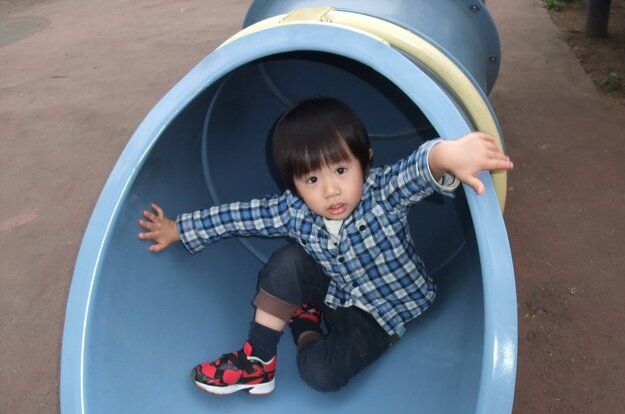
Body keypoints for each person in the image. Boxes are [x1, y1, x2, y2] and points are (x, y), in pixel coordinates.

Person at [138, 98, 513, 396]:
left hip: (384, 315)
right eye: (312, 180)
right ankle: (258, 361)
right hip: (337, 292)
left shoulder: (382, 193)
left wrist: (448, 155)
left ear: (365, 162)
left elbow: (417, 170)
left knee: (319, 373)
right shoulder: (293, 211)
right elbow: (238, 216)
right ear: (294, 185)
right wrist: (179, 229)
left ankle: (305, 324)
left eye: (341, 171)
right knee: (287, 261)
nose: (331, 191)